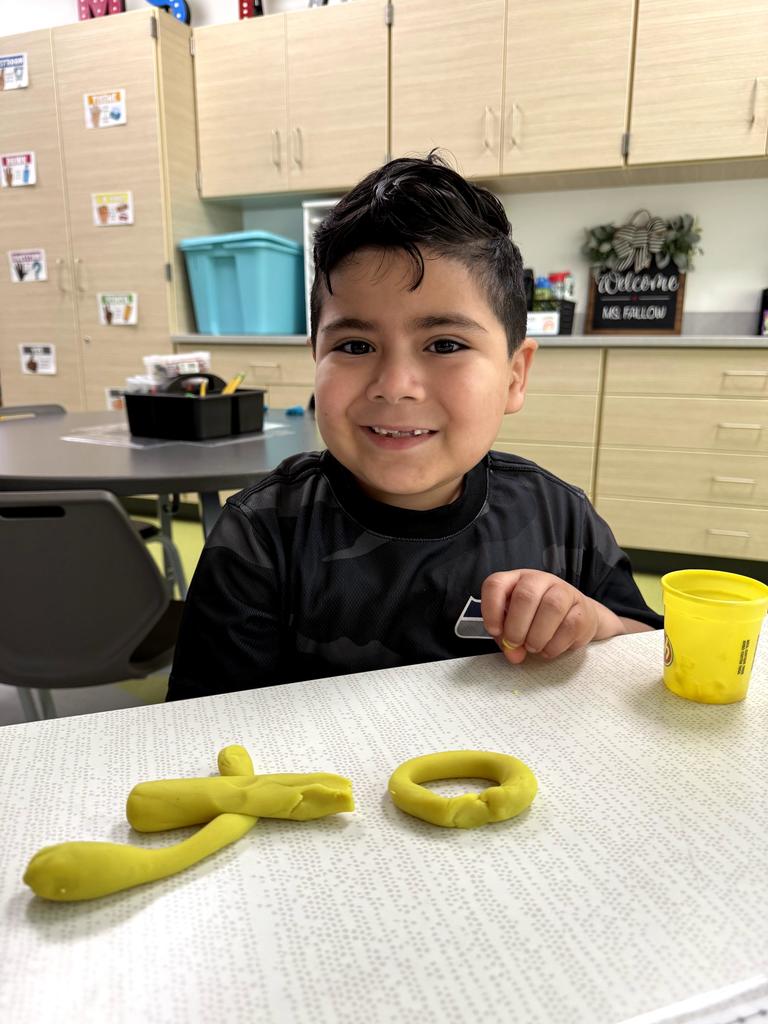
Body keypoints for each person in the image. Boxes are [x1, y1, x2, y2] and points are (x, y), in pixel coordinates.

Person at [167, 153, 661, 701]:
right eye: (355, 346)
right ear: (315, 359)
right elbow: (202, 733)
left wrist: (597, 625)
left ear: (515, 375)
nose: (396, 384)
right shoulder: (260, 536)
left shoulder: (560, 517)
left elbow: (646, 654)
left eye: (445, 345)